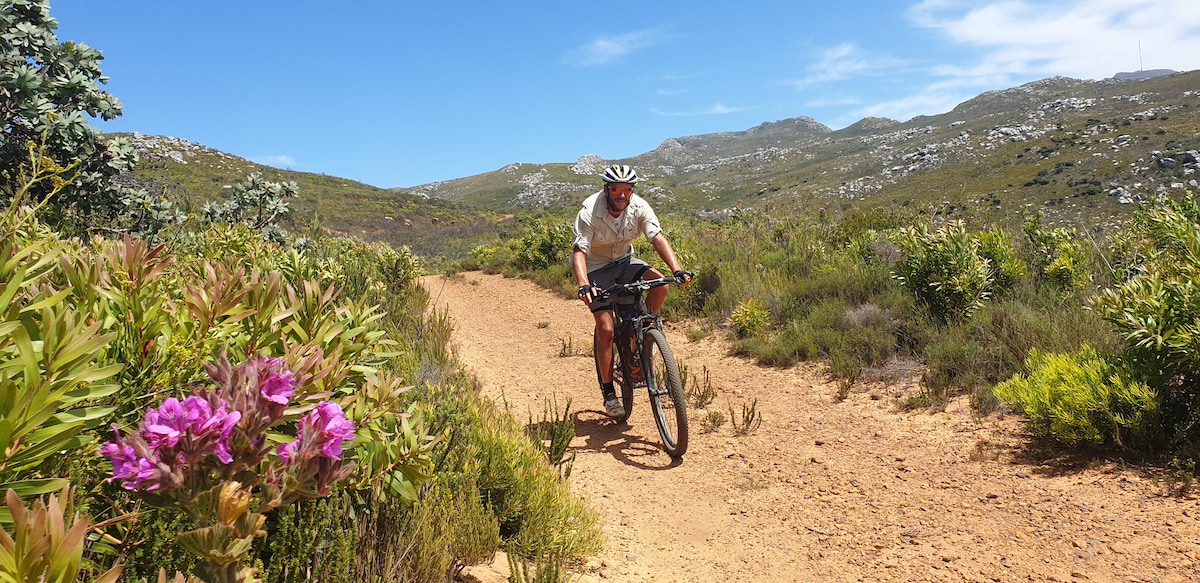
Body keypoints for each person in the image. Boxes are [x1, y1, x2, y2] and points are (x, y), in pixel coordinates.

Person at [572, 164, 691, 418]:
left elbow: (657, 237)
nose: (621, 195)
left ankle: (645, 329)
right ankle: (608, 393)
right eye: (616, 189)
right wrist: (583, 284)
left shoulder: (639, 206)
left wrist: (678, 269)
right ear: (607, 190)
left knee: (660, 283)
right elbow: (579, 252)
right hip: (596, 269)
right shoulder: (589, 211)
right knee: (606, 329)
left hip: (625, 263)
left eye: (626, 189)